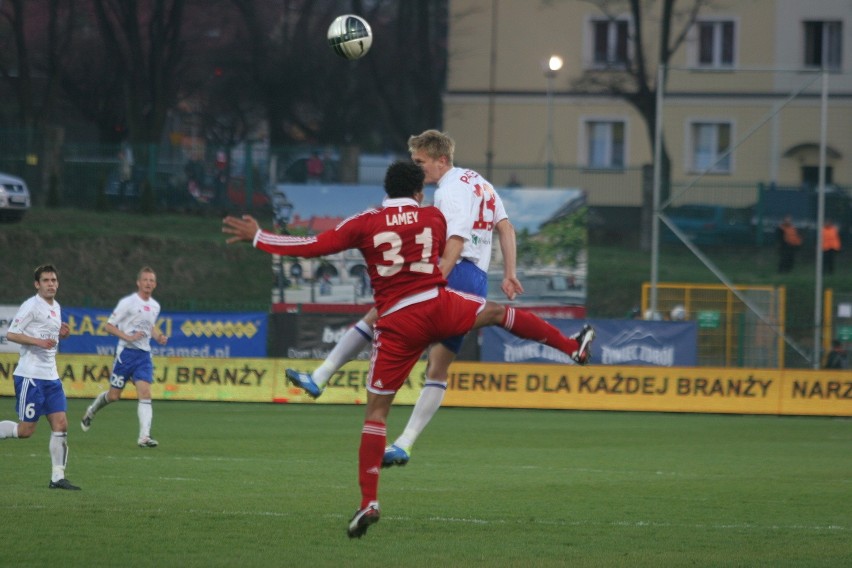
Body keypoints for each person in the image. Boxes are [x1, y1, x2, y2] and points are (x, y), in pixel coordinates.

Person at [223, 160, 595, 539]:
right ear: (419, 192)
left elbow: (312, 247)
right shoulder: (433, 217)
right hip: (439, 304)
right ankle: (570, 347)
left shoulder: (364, 222)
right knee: (499, 313)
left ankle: (369, 500)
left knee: (377, 413)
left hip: (399, 323)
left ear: (387, 190)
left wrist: (259, 236)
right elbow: (461, 238)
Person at [284, 129, 524, 468]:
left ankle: (322, 375)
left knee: (380, 313)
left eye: (420, 162)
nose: (418, 169)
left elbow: (454, 239)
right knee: (437, 368)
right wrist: (511, 273)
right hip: (477, 280)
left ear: (441, 160)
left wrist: (438, 272)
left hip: (452, 270)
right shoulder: (480, 183)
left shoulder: (449, 190)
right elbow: (506, 228)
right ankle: (405, 442)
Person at [0, 265, 80, 490]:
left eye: (54, 280)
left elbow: (50, 338)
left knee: (61, 423)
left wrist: (61, 334)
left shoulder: (56, 307)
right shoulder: (31, 306)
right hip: (30, 376)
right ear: (37, 284)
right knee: (26, 431)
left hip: (51, 377)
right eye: (46, 280)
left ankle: (57, 477)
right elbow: (11, 334)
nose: (51, 284)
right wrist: (37, 342)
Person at [80, 267, 168, 447]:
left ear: (155, 284)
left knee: (145, 392)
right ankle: (91, 411)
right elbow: (109, 326)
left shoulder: (155, 306)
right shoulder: (128, 303)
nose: (148, 283)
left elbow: (150, 325)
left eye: (152, 280)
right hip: (125, 355)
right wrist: (127, 337)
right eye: (145, 280)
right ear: (138, 282)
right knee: (113, 396)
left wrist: (158, 336)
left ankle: (144, 437)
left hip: (143, 355)